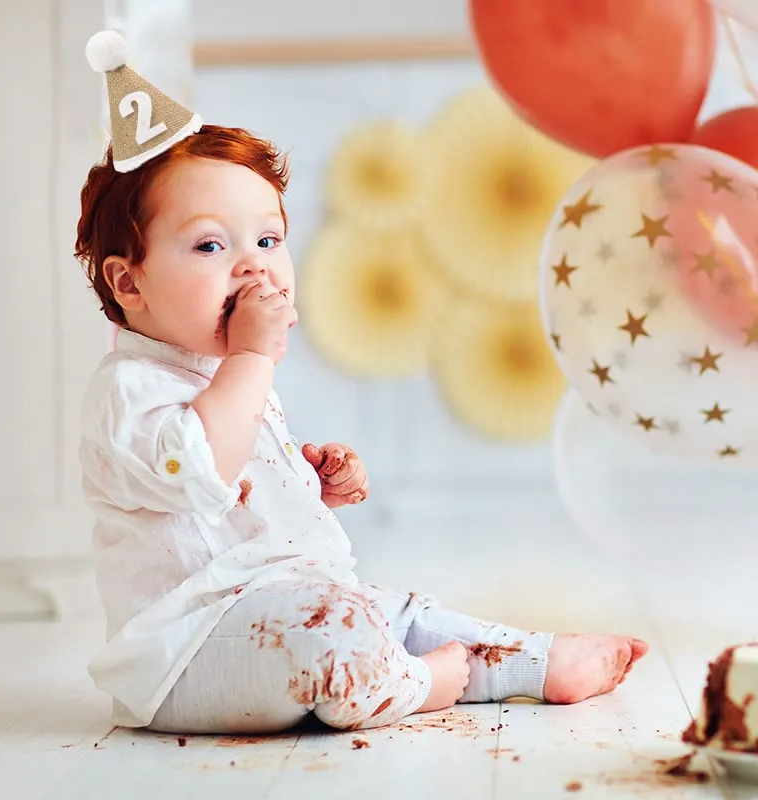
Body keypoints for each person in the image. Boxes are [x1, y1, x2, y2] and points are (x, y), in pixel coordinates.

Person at [76, 31, 648, 735]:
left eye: (268, 239)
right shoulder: (130, 391)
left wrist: (310, 481)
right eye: (209, 246)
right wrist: (252, 361)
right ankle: (422, 682)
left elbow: (238, 498)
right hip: (187, 652)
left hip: (282, 607)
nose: (253, 267)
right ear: (128, 282)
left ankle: (529, 660)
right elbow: (203, 464)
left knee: (395, 609)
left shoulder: (226, 373)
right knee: (336, 630)